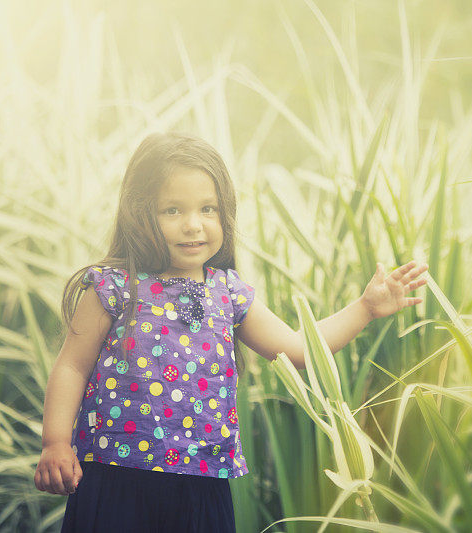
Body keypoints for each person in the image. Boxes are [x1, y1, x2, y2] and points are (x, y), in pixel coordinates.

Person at [34, 132, 428, 532]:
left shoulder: (229, 293)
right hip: (114, 475)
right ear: (139, 213)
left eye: (208, 209)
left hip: (203, 485)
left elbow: (297, 348)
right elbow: (72, 368)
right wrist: (55, 443)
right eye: (172, 210)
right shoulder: (116, 287)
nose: (193, 225)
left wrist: (365, 308)